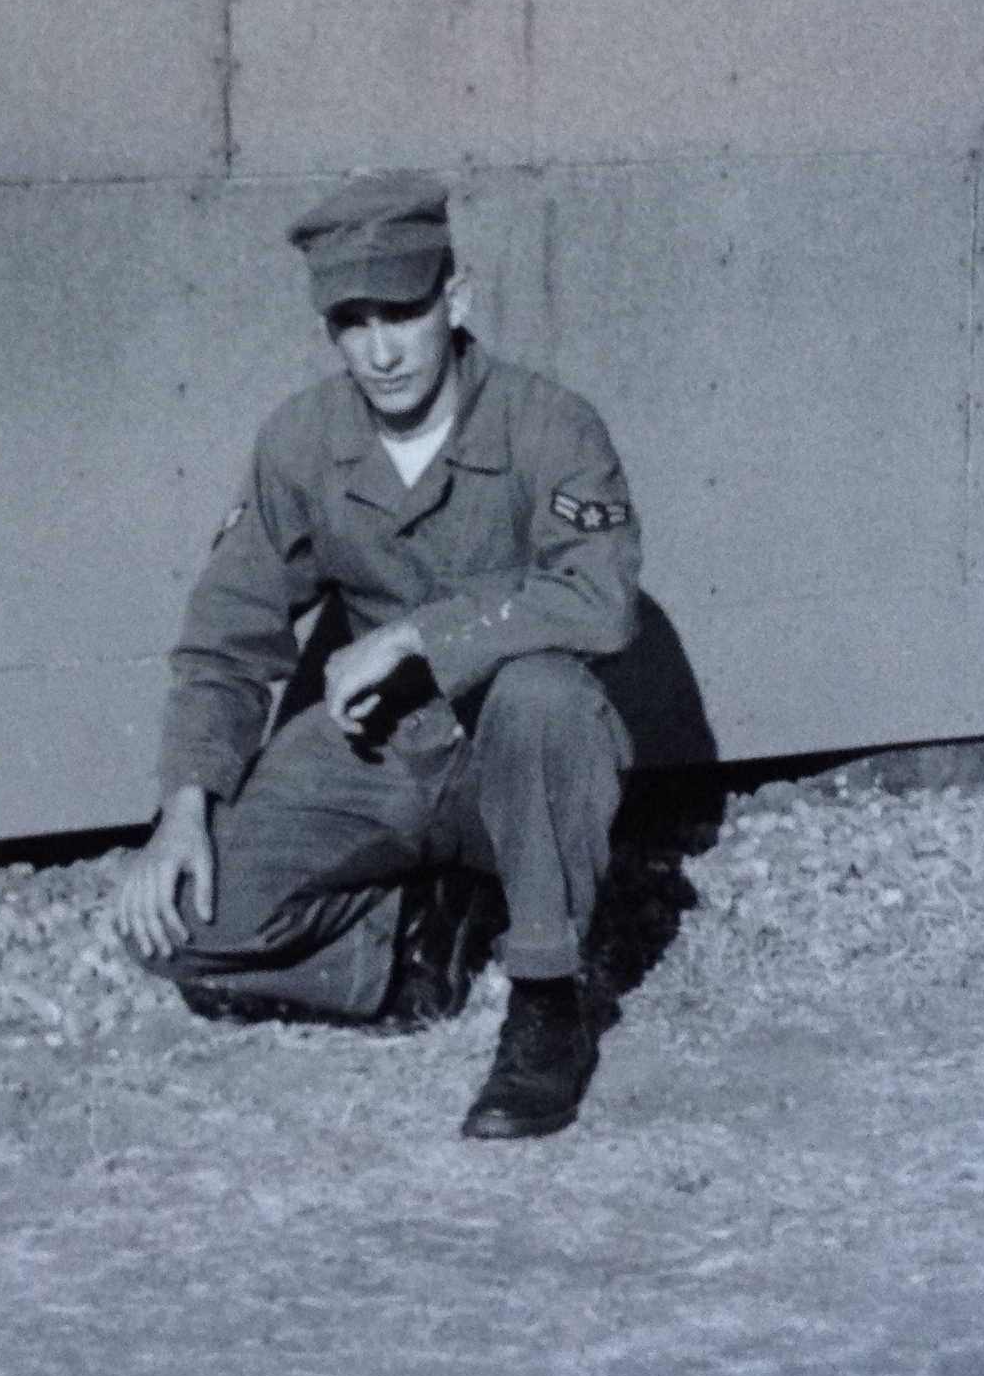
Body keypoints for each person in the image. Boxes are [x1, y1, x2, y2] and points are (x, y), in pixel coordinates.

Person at [112, 171, 640, 1140]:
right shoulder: (302, 439)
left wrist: (415, 636)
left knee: (545, 694)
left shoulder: (549, 424)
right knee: (180, 926)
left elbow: (599, 601)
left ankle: (546, 1000)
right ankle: (419, 940)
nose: (381, 351)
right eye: (351, 323)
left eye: (401, 313)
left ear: (456, 300)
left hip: (512, 762)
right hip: (383, 755)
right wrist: (184, 809)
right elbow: (227, 633)